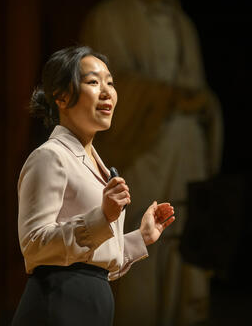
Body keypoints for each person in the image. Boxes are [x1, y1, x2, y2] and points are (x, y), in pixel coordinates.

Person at [80, 0, 223, 326]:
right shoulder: (110, 16)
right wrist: (168, 97)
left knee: (183, 249)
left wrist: (199, 103)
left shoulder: (182, 23)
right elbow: (102, 87)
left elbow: (195, 88)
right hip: (142, 150)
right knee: (143, 247)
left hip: (184, 152)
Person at [11, 46, 175, 326]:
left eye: (110, 83)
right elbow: (34, 246)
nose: (107, 91)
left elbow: (94, 262)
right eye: (93, 82)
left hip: (92, 303)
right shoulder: (50, 157)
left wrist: (141, 237)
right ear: (61, 97)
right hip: (58, 304)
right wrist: (103, 216)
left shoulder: (100, 166)